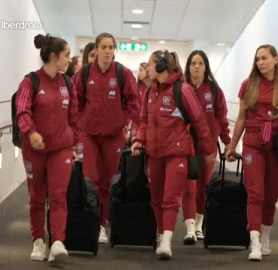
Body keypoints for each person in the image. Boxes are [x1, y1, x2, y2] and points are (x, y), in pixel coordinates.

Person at [131, 50, 214, 260]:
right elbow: (144, 122)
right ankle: (161, 235)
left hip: (177, 153)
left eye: (150, 65)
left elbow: (200, 122)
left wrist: (206, 150)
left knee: (170, 198)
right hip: (154, 154)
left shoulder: (183, 90)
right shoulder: (150, 93)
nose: (147, 68)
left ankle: (167, 240)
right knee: (156, 198)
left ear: (160, 67)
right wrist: (139, 140)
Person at [225, 44, 278, 261]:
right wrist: (231, 145)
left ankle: (265, 237)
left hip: (277, 144)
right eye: (257, 59)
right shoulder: (248, 85)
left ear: (276, 60)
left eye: (265, 58)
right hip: (253, 143)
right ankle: (254, 241)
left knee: (272, 194)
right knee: (255, 193)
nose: (260, 62)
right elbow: (241, 117)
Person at [16, 34, 78, 264]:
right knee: (38, 197)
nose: (69, 60)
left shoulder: (68, 83)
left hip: (61, 149)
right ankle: (38, 241)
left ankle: (58, 242)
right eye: (67, 55)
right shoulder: (30, 82)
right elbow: (22, 110)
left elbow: (74, 116)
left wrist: (73, 145)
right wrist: (31, 132)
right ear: (53, 56)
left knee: (59, 195)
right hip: (35, 150)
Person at [73, 32, 140, 244]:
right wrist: (81, 122)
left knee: (107, 181)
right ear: (97, 49)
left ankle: (102, 224)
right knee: (90, 177)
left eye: (111, 47)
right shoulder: (84, 74)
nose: (108, 51)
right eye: (104, 47)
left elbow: (133, 102)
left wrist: (123, 121)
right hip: (88, 134)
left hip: (113, 136)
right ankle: (90, 222)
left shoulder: (123, 73)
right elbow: (76, 102)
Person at [181, 50, 231, 244]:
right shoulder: (182, 88)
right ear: (188, 66)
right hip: (187, 146)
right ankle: (190, 227)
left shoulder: (215, 91)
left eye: (200, 63)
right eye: (193, 63)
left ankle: (200, 224)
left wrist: (228, 143)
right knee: (189, 187)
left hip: (209, 146)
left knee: (203, 186)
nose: (197, 67)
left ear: (206, 66)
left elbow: (222, 119)